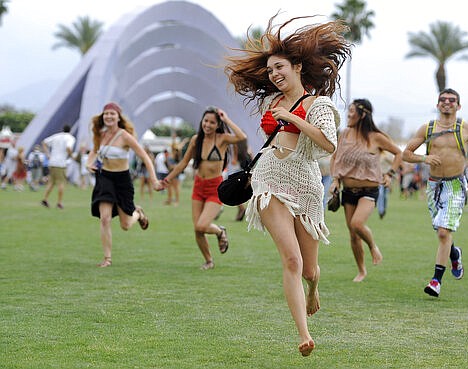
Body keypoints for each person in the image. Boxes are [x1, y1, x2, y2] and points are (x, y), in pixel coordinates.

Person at [224, 14, 350, 357]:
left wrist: (293, 118)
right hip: (269, 180)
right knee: (291, 261)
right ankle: (304, 335)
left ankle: (313, 289)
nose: (274, 75)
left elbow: (328, 144)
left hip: (307, 184)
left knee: (309, 269)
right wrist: (280, 121)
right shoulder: (271, 103)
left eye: (279, 67)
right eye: (269, 71)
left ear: (296, 66)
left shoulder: (318, 104)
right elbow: (272, 140)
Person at [402, 88, 468, 297]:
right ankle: (455, 254)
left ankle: (436, 281)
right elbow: (406, 154)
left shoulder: (466, 127)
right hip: (434, 185)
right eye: (442, 100)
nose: (447, 103)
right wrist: (424, 158)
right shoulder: (427, 128)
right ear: (437, 105)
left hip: (455, 185)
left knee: (444, 232)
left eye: (451, 100)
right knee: (442, 233)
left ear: (458, 105)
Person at [159, 107, 246, 270]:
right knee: (197, 230)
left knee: (202, 225)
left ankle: (220, 232)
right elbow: (183, 163)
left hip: (215, 187)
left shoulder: (222, 139)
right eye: (205, 121)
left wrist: (226, 119)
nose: (208, 125)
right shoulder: (196, 139)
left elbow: (242, 137)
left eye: (212, 122)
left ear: (217, 124)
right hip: (198, 186)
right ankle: (209, 261)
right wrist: (167, 180)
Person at [330, 99, 402, 282]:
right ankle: (361, 270)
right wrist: (336, 180)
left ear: (362, 114)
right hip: (348, 191)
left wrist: (390, 174)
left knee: (357, 224)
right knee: (353, 235)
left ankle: (372, 246)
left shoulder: (375, 137)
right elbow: (335, 158)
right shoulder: (344, 134)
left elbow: (398, 153)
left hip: (369, 191)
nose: (348, 114)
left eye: (352, 111)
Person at [86, 102, 160, 267]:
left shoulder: (125, 136)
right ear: (102, 116)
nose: (109, 117)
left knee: (126, 225)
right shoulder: (100, 134)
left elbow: (145, 157)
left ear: (118, 117)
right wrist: (88, 163)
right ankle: (107, 258)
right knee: (104, 219)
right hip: (104, 178)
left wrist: (154, 179)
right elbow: (94, 151)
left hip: (122, 181)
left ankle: (138, 213)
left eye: (112, 114)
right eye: (106, 114)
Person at [41, 124, 76, 209]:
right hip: (61, 163)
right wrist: (72, 156)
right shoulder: (70, 138)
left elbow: (44, 142)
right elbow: (68, 148)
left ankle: (45, 199)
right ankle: (59, 202)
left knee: (51, 182)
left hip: (52, 161)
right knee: (61, 183)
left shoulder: (56, 136)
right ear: (70, 130)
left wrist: (48, 154)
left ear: (62, 129)